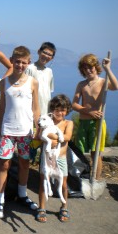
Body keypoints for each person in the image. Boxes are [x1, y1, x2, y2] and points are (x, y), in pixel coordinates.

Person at [0, 46, 40, 218]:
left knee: (24, 163)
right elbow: (2, 107)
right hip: (8, 130)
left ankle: (22, 195)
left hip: (26, 131)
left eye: (23, 62)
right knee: (4, 164)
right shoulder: (4, 82)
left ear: (28, 63)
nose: (20, 65)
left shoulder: (33, 82)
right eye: (17, 61)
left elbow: (36, 108)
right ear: (12, 60)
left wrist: (38, 128)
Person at [72, 54, 118, 180]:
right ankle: (80, 178)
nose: (88, 70)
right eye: (85, 68)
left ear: (96, 67)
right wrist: (88, 112)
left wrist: (108, 69)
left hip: (97, 124)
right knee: (79, 152)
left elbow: (116, 86)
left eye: (90, 67)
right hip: (83, 122)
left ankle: (95, 180)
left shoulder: (103, 82)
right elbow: (74, 104)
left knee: (96, 154)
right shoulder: (81, 84)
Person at [36, 94, 73, 223]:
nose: (59, 112)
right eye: (56, 109)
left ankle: (64, 207)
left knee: (63, 184)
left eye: (63, 110)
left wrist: (54, 139)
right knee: (43, 182)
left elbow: (67, 137)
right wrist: (55, 137)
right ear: (52, 110)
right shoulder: (46, 121)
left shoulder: (68, 123)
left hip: (61, 159)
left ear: (67, 111)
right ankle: (42, 207)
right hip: (46, 158)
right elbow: (40, 135)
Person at [25, 42, 56, 116]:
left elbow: (49, 92)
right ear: (39, 52)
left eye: (49, 55)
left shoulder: (49, 72)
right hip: (31, 111)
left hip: (46, 112)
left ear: (52, 58)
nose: (46, 56)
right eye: (44, 53)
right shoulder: (30, 68)